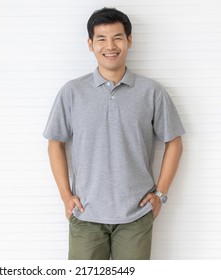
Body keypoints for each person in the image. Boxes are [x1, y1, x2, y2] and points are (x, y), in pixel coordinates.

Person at [43, 7, 185, 260]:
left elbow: (174, 142)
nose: (110, 46)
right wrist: (66, 196)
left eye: (118, 37)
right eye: (101, 38)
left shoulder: (152, 92)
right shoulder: (72, 92)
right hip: (85, 214)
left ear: (129, 40)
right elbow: (55, 143)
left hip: (136, 215)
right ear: (90, 44)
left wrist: (160, 195)